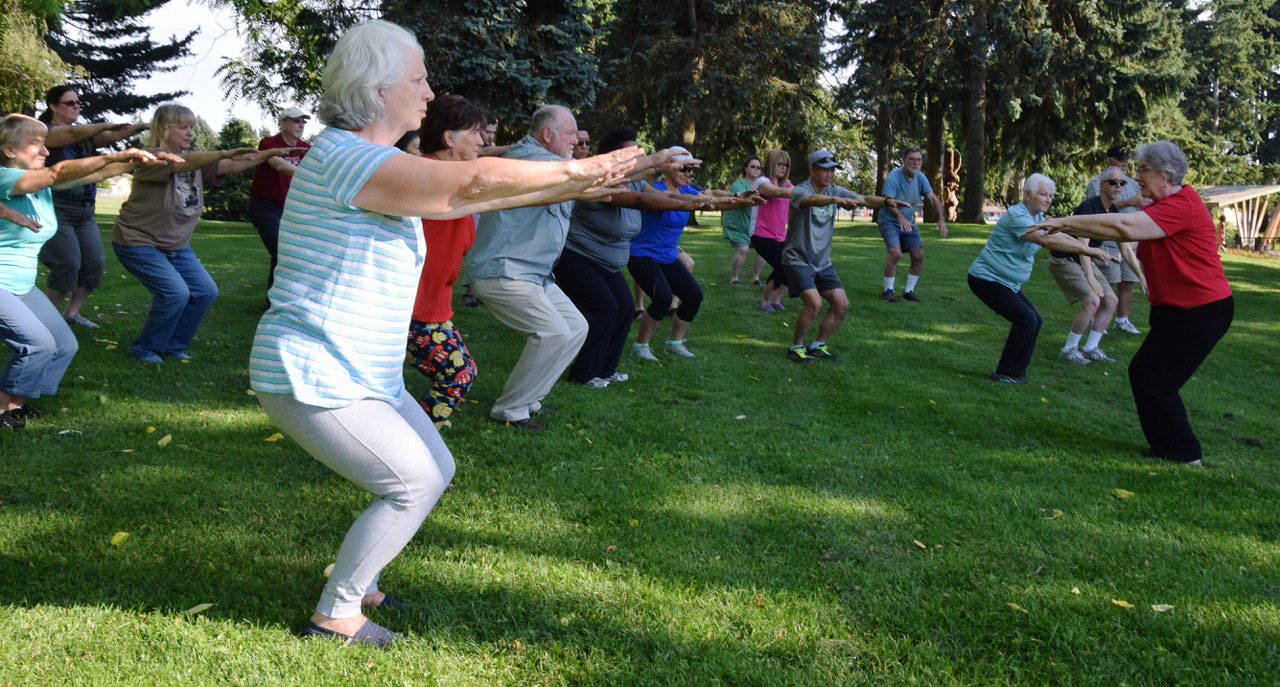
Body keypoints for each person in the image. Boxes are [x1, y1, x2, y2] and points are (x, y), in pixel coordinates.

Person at [248, 20, 643, 647]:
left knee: (437, 464)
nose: (430, 93)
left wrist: (578, 178)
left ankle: (362, 578)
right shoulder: (347, 158)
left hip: (361, 372)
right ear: (377, 88)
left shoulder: (374, 162)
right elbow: (466, 183)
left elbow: (460, 201)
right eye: (419, 78)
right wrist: (584, 168)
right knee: (412, 483)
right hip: (313, 370)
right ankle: (336, 614)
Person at [463, 105, 675, 430]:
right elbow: (586, 173)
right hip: (503, 272)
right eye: (571, 133)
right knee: (552, 332)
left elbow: (603, 180)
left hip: (533, 275)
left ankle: (531, 398)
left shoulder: (555, 165)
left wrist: (653, 173)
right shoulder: (532, 160)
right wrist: (654, 160)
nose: (577, 140)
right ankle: (511, 410)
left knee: (576, 327)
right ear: (547, 135)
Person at [1033, 141, 1232, 466]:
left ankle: (1185, 455)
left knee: (1158, 381)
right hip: (1178, 312)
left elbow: (1122, 227)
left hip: (1201, 311)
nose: (1136, 176)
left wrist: (1064, 221)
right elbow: (1124, 225)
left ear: (1165, 174)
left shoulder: (1182, 205)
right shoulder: (1163, 207)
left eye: (1142, 169)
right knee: (1145, 374)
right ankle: (1165, 448)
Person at [1, 113, 166, 430]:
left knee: (64, 343)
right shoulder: (5, 178)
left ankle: (16, 403)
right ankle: (0, 408)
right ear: (9, 151)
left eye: (46, 144)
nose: (46, 151)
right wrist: (117, 153)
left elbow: (89, 174)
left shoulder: (41, 188)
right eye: (36, 143)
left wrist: (140, 160)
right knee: (38, 343)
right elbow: (58, 171)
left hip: (20, 284)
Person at [112, 103, 302, 363]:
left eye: (191, 126)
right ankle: (147, 347)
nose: (189, 132)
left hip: (176, 246)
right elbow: (185, 163)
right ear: (163, 129)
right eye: (182, 127)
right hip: (139, 241)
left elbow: (231, 165)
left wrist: (265, 154)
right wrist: (223, 151)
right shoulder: (149, 157)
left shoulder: (196, 161)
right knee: (175, 293)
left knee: (205, 291)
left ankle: (172, 345)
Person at [555, 126, 708, 387]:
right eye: (628, 153)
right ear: (611, 155)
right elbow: (638, 200)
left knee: (625, 309)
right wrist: (684, 203)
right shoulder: (597, 179)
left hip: (606, 262)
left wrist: (704, 201)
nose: (634, 158)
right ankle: (585, 373)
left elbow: (658, 194)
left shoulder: (635, 179)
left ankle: (606, 370)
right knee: (605, 309)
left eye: (636, 152)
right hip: (578, 258)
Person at [967, 173, 1117, 383]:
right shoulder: (1017, 216)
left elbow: (1056, 235)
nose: (1048, 199)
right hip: (987, 279)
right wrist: (1087, 249)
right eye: (1043, 194)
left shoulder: (1036, 218)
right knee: (1026, 320)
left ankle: (1014, 372)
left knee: (1034, 320)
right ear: (1027, 195)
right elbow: (1046, 241)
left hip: (1007, 282)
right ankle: (1007, 373)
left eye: (1050, 195)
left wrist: (1085, 247)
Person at [629, 147, 757, 361]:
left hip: (668, 256)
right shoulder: (655, 190)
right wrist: (731, 201)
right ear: (670, 169)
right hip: (642, 255)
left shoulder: (687, 190)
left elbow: (711, 196)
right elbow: (703, 202)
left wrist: (739, 198)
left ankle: (674, 343)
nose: (689, 174)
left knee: (693, 296)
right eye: (685, 169)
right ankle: (641, 345)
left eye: (692, 171)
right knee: (662, 298)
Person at [37, 85, 149, 328]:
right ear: (53, 106)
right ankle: (44, 320)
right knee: (68, 263)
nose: (76, 106)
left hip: (84, 210)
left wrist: (142, 126)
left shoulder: (84, 136)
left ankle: (72, 314)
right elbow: (71, 135)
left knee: (94, 263)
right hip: (57, 208)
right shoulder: (45, 133)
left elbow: (107, 137)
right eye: (70, 103)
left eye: (78, 103)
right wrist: (104, 125)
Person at [403, 95, 485, 427]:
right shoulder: (430, 174)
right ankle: (417, 439)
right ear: (449, 139)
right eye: (475, 133)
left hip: (432, 305)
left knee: (459, 372)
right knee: (458, 373)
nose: (483, 140)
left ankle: (410, 434)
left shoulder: (449, 175)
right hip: (413, 308)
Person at [781, 150, 899, 363]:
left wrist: (885, 202)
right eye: (825, 170)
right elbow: (811, 200)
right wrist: (833, 199)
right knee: (814, 303)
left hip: (822, 261)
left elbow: (863, 199)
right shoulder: (800, 190)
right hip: (797, 259)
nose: (829, 175)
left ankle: (818, 344)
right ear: (812, 170)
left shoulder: (834, 189)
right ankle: (796, 346)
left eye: (832, 170)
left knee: (841, 304)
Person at [1049, 165, 1141, 364]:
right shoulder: (1089, 208)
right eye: (1114, 182)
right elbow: (1082, 247)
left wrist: (1142, 278)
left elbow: (1125, 249)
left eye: (1122, 183)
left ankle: (1091, 348)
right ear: (1102, 185)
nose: (1119, 186)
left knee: (1111, 301)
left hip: (1084, 259)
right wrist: (1090, 277)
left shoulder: (1113, 211)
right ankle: (1069, 349)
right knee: (1093, 301)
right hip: (1065, 258)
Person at [248, 107, 312, 293]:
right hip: (264, 207)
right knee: (281, 251)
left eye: (303, 122)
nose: (300, 125)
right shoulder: (268, 143)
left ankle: (278, 299)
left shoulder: (306, 148)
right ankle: (274, 301)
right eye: (295, 121)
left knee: (289, 252)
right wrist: (309, 176)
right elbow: (278, 165)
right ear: (283, 123)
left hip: (291, 208)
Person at [1085, 146, 1147, 334]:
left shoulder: (1133, 183)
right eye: (1120, 160)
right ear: (1109, 161)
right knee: (1107, 282)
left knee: (1128, 281)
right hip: (1108, 240)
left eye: (1126, 161)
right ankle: (1096, 319)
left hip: (1131, 239)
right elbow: (1099, 205)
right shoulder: (1099, 182)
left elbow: (1143, 202)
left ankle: (1122, 320)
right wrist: (1130, 202)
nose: (1124, 165)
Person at [877, 146, 947, 302]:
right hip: (889, 220)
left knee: (918, 255)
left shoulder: (920, 177)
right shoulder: (894, 177)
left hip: (908, 221)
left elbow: (933, 198)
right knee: (895, 253)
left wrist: (941, 219)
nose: (915, 163)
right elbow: (889, 201)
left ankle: (908, 291)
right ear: (904, 160)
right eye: (912, 159)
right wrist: (900, 217)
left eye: (918, 160)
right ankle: (888, 290)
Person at [749, 149, 793, 311]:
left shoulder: (788, 185)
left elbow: (792, 193)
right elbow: (776, 192)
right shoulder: (762, 182)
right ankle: (764, 301)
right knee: (782, 266)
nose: (783, 167)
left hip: (780, 236)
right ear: (771, 163)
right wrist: (802, 192)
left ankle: (776, 300)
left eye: (786, 165)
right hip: (761, 235)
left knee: (793, 266)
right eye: (780, 164)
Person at [722, 156, 762, 284]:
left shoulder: (763, 185)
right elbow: (742, 200)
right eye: (753, 166)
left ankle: (756, 278)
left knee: (763, 251)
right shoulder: (738, 184)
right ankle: (734, 278)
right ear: (746, 168)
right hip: (738, 225)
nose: (756, 169)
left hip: (756, 225)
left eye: (758, 167)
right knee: (743, 249)